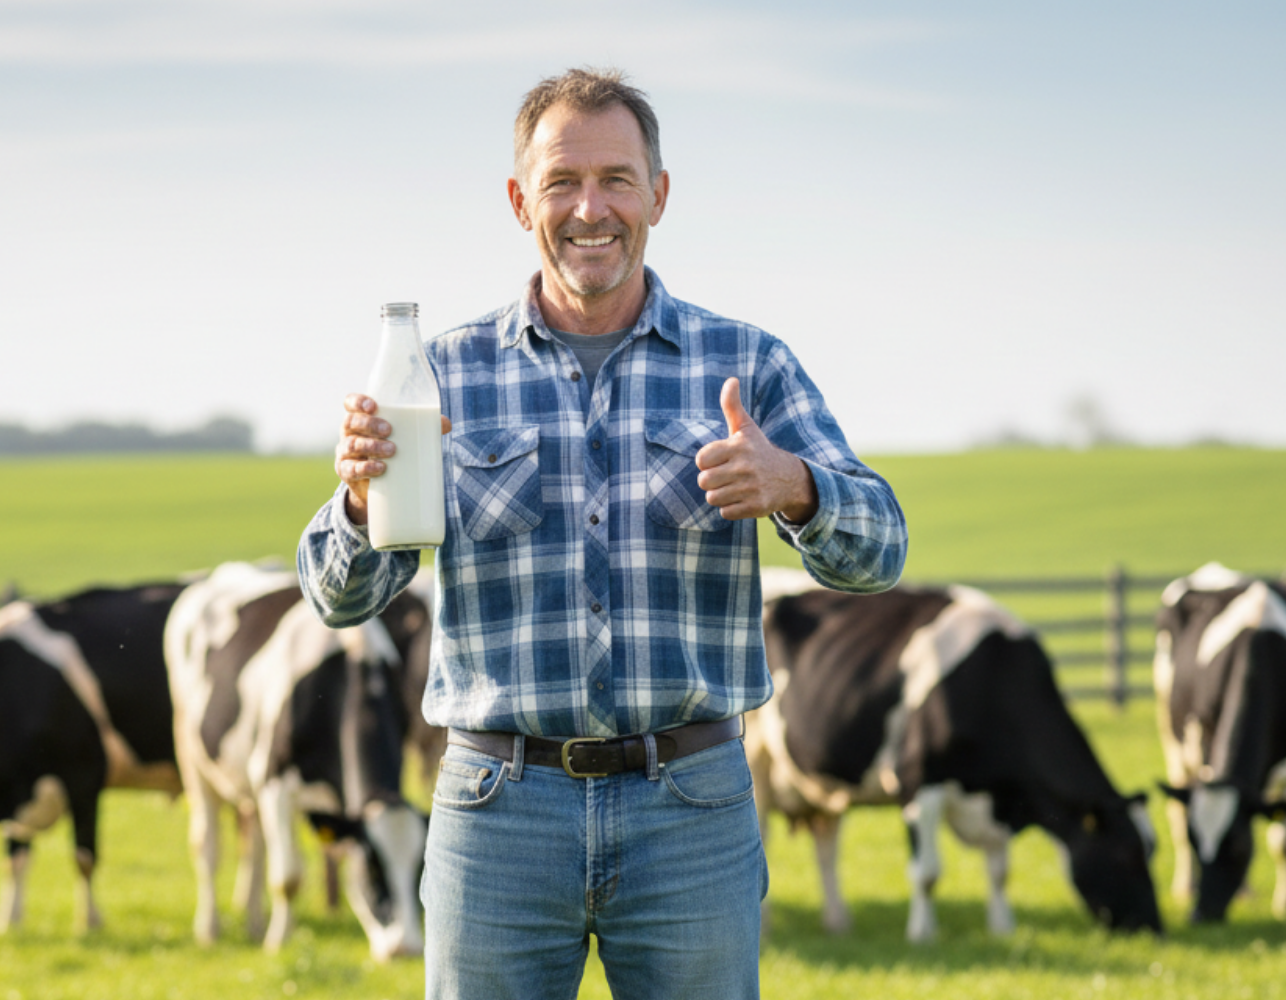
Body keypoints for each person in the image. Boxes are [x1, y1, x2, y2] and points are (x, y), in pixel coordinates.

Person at [298, 67, 907, 1000]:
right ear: (519, 201)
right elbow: (336, 599)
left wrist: (797, 488)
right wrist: (356, 503)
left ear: (658, 195)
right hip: (498, 813)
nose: (592, 208)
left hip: (692, 812)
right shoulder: (438, 375)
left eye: (618, 179)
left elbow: (882, 548)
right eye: (562, 183)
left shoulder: (746, 363)